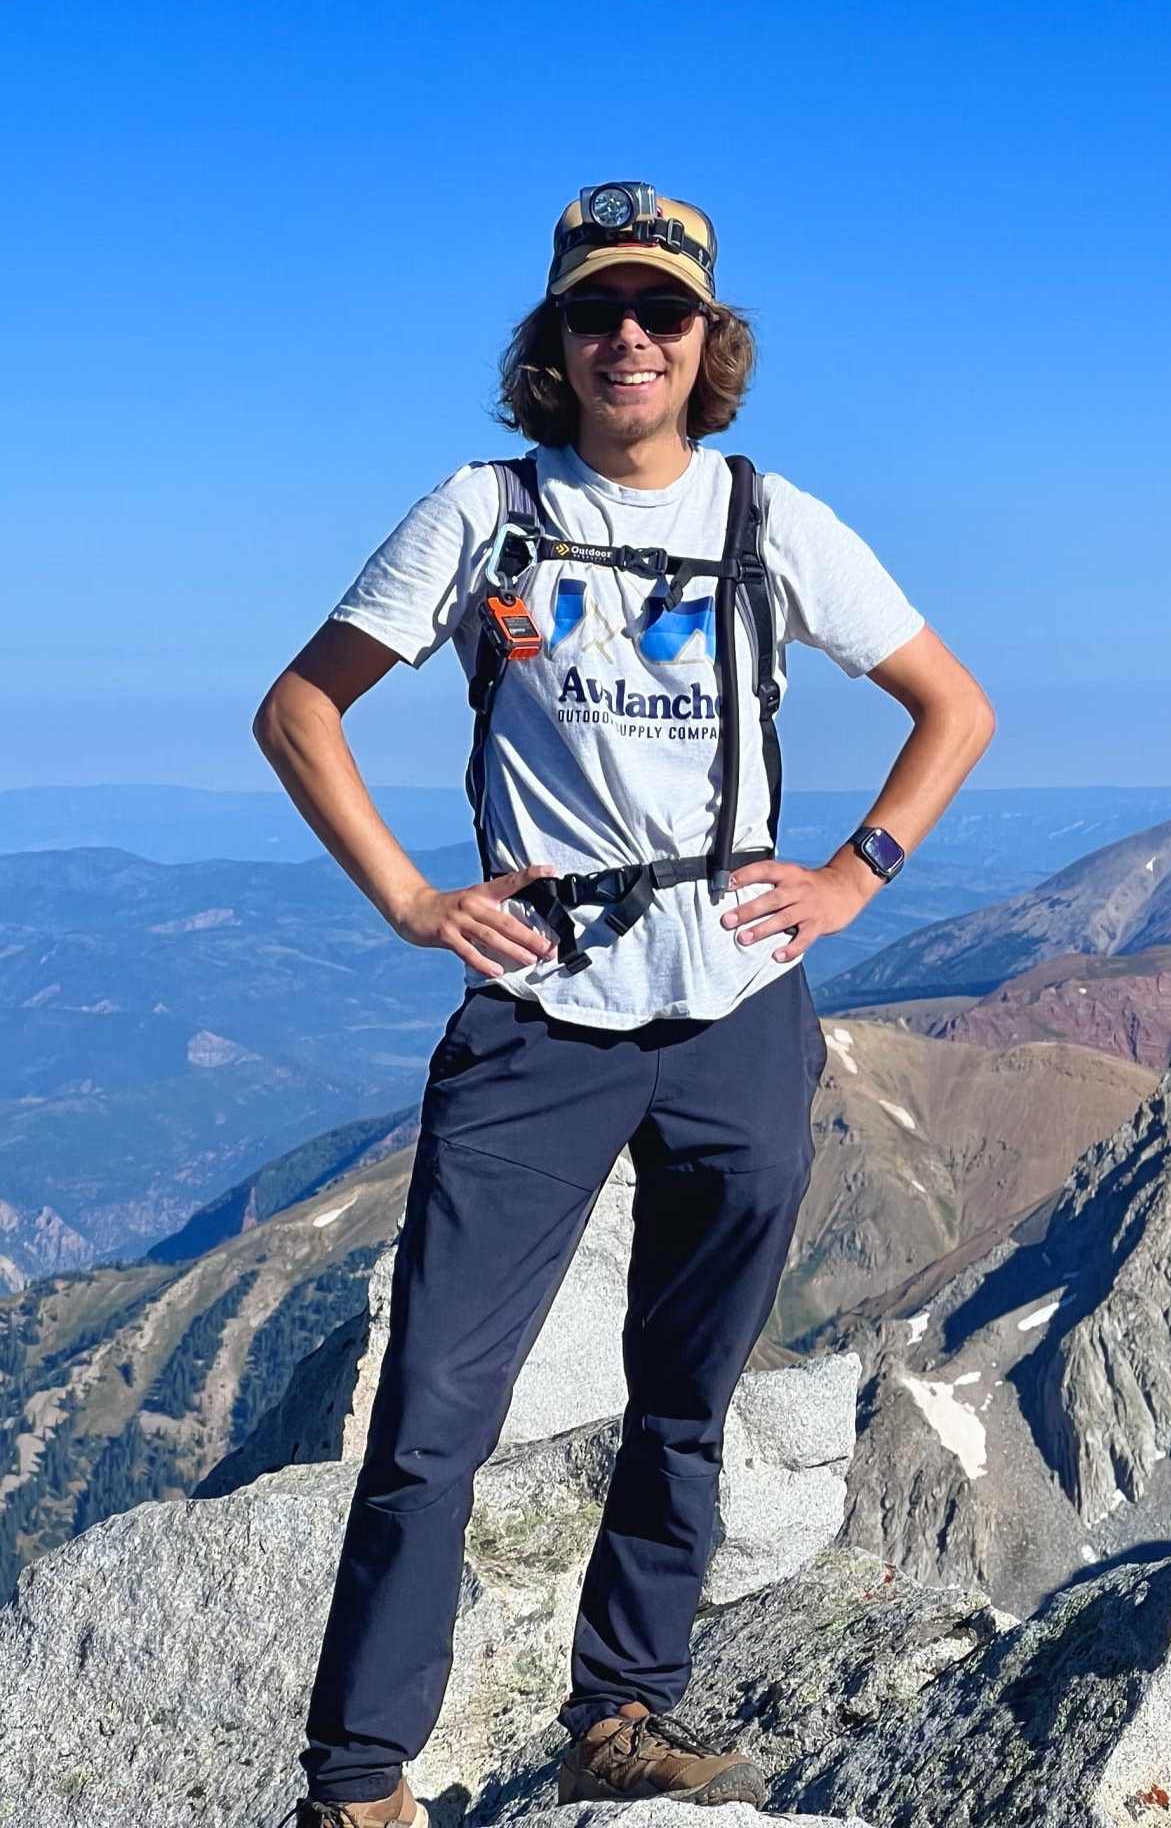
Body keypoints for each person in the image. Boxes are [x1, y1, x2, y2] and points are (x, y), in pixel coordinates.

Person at [253, 183, 995, 1827]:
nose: (630, 341)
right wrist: (409, 899)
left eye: (661, 313)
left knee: (689, 1391)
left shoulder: (772, 519)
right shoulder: (479, 511)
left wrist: (856, 876)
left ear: (707, 341)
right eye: (598, 314)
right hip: (538, 1017)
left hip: (741, 1009)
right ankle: (360, 1782)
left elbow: (954, 706)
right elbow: (302, 710)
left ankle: (624, 1715)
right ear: (555, 343)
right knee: (437, 1408)